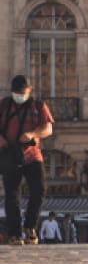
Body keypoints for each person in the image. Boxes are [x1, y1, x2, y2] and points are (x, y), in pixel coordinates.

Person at [1, 75, 54, 245]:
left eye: (22, 92)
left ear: (29, 90)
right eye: (16, 93)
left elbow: (48, 128)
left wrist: (32, 134)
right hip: (9, 153)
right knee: (11, 195)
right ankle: (14, 234)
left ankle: (30, 226)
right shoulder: (3, 105)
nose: (19, 95)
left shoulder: (38, 106)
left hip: (32, 154)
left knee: (39, 191)